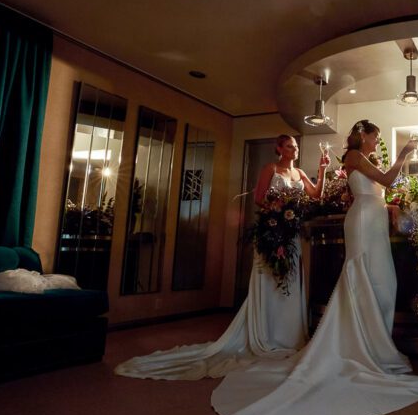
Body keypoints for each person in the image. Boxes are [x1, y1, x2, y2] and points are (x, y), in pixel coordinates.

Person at [211, 120, 418, 415]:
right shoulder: (354, 157)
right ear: (365, 136)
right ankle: (364, 348)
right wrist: (405, 153)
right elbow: (387, 178)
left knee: (385, 283)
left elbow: (381, 187)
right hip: (361, 222)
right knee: (368, 281)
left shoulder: (367, 160)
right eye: (375, 136)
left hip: (373, 221)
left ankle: (374, 343)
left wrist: (391, 207)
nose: (376, 141)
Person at [114, 134, 328, 380]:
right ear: (279, 148)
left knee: (288, 279)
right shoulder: (271, 168)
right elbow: (259, 198)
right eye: (290, 145)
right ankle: (266, 335)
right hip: (271, 230)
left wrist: (322, 170)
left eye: (296, 146)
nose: (294, 149)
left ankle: (289, 335)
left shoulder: (300, 173)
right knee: (269, 279)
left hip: (291, 235)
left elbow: (315, 196)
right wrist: (279, 207)